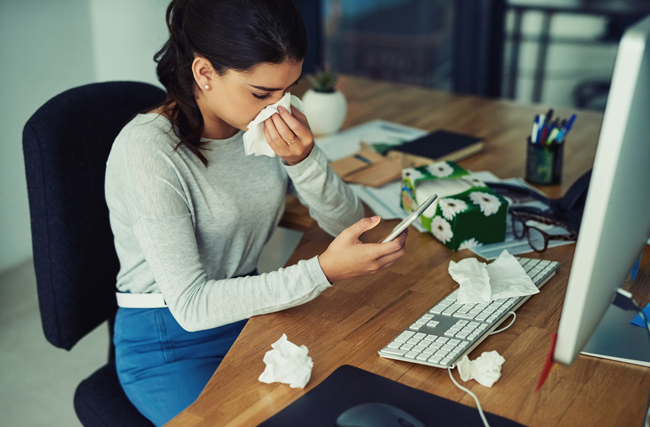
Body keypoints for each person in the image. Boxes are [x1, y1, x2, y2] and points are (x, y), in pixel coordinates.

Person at [104, 0, 408, 425]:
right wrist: (322, 271)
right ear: (204, 73)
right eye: (262, 93)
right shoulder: (148, 152)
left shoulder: (269, 120)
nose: (279, 107)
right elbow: (191, 306)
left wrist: (304, 160)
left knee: (361, 393)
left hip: (250, 313)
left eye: (288, 89)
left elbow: (347, 223)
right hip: (170, 340)